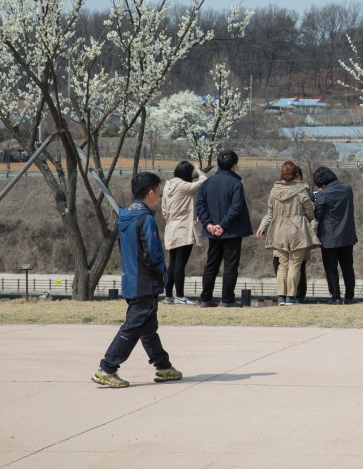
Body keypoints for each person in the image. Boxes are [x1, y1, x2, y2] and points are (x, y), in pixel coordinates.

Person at [92, 172, 182, 388]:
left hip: (131, 280)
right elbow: (152, 254)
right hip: (144, 282)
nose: (159, 197)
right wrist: (163, 273)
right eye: (158, 193)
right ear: (151, 193)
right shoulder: (146, 219)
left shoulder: (125, 217)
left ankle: (164, 367)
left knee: (148, 328)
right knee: (133, 327)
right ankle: (107, 368)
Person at [257, 161, 320, 306]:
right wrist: (313, 225)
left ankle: (281, 297)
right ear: (296, 174)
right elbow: (310, 214)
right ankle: (291, 297)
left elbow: (270, 213)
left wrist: (262, 227)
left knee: (282, 265)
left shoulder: (275, 191)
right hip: (298, 231)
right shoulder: (301, 191)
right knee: (295, 265)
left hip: (279, 231)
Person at [195, 150, 253, 308]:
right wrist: (223, 225)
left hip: (213, 231)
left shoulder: (207, 183)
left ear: (219, 164)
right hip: (231, 231)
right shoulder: (236, 184)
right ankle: (227, 299)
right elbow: (236, 207)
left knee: (211, 265)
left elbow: (200, 205)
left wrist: (208, 224)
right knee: (230, 266)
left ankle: (206, 298)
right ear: (234, 165)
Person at [161, 161, 207, 305]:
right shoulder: (184, 186)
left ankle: (168, 295)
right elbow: (203, 182)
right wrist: (199, 171)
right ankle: (180, 295)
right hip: (183, 229)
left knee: (173, 264)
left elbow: (163, 210)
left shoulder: (168, 186)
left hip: (170, 228)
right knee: (180, 264)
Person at [313, 166, 358, 305]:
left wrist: (317, 197)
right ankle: (349, 297)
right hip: (347, 235)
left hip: (329, 237)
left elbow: (318, 215)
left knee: (331, 268)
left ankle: (335, 297)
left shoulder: (322, 194)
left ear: (322, 183)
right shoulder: (347, 189)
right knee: (347, 267)